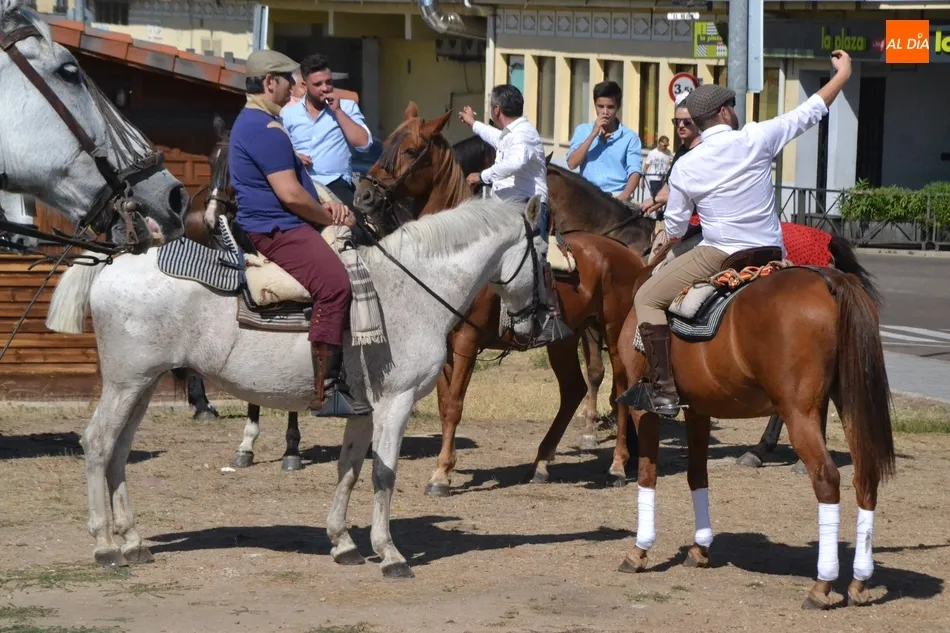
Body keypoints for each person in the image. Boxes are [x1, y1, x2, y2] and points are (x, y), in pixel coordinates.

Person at [632, 50, 854, 417]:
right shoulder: (757, 137)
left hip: (720, 254)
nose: (735, 112)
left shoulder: (686, 166)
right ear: (723, 113)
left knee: (646, 297)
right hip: (772, 252)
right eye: (733, 107)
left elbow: (675, 228)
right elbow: (810, 111)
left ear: (698, 122)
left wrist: (660, 247)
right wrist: (842, 75)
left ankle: (664, 390)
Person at [229, 49, 372, 418]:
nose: (293, 87)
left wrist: (328, 207)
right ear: (269, 82)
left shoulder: (257, 121)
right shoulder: (266, 129)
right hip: (278, 228)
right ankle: (327, 390)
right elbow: (291, 194)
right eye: (287, 80)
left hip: (280, 221)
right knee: (335, 284)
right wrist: (327, 218)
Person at [457, 84, 570, 346]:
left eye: (491, 107)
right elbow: (497, 139)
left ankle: (550, 317)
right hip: (508, 207)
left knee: (536, 256)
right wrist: (474, 124)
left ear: (497, 110)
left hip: (528, 208)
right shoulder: (513, 133)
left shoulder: (524, 135)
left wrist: (482, 176)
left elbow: (516, 162)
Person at [280, 54, 372, 210]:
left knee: (355, 223)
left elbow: (364, 144)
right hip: (300, 183)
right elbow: (278, 149)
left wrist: (338, 112)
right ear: (304, 85)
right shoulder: (288, 113)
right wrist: (294, 157)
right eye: (318, 84)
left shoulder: (347, 107)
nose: (325, 88)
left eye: (329, 82)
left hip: (335, 184)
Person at [565, 80, 643, 201]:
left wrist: (622, 198)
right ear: (595, 105)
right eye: (600, 106)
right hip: (588, 196)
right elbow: (572, 164)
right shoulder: (582, 131)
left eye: (610, 107)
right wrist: (593, 134)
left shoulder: (630, 137)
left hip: (617, 196)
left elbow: (635, 172)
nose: (605, 112)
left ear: (618, 107)